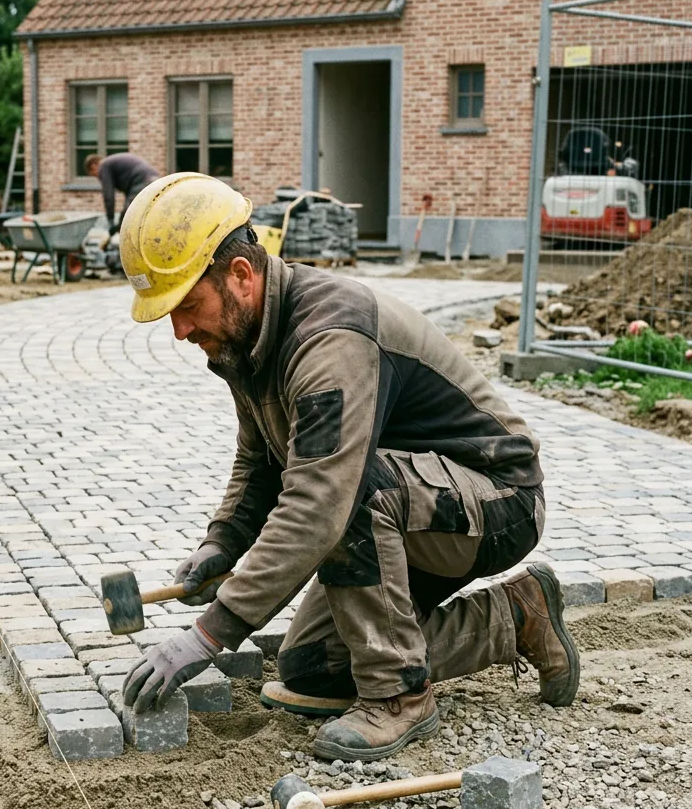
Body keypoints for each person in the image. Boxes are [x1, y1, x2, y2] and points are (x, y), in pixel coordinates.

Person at [120, 173, 580, 763]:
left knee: (348, 493)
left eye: (187, 305)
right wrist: (222, 546)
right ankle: (518, 616)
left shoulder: (330, 337)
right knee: (312, 669)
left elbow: (317, 504)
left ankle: (399, 699)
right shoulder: (246, 340)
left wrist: (211, 633)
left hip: (497, 500)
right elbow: (259, 459)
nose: (180, 330)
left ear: (240, 275)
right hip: (414, 506)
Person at [84, 153, 159, 236]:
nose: (97, 177)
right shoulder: (112, 163)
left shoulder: (103, 166)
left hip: (142, 181)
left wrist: (110, 221)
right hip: (154, 179)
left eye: (93, 174)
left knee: (127, 218)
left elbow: (108, 196)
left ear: (93, 165)